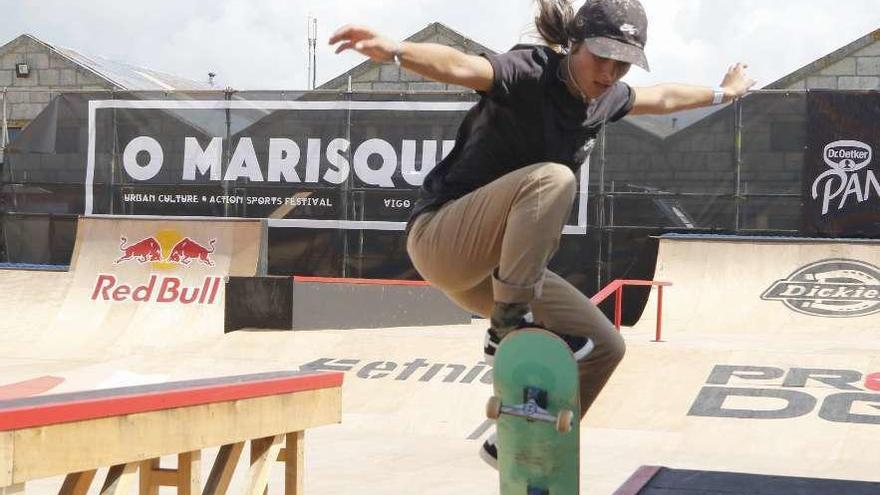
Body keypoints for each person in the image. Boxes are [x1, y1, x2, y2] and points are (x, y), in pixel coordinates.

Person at [331, 0, 756, 469]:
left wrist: (725, 92)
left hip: (493, 277)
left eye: (622, 64)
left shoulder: (609, 98)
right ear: (574, 45)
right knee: (555, 178)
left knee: (605, 346)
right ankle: (509, 322)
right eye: (601, 58)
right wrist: (396, 50)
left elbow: (663, 98)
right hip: (442, 237)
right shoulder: (529, 72)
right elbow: (460, 66)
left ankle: (517, 442)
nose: (610, 73)